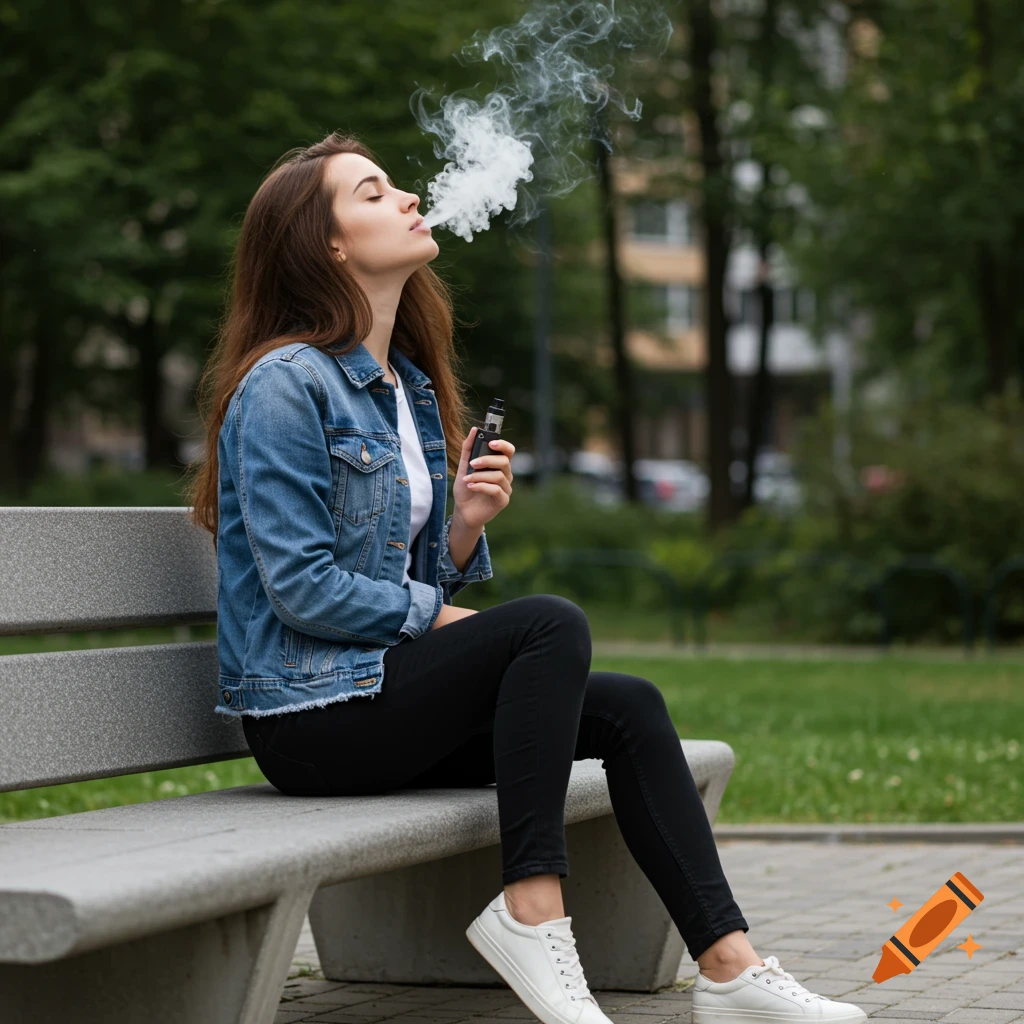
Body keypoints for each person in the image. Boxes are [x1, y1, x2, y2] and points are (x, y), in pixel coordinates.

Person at [184, 131, 867, 1024]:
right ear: (329, 246)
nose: (406, 199)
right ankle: (531, 912)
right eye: (373, 191)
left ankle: (730, 969)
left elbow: (397, 576)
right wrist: (443, 614)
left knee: (629, 707)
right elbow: (305, 592)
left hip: (374, 696)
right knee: (548, 624)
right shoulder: (285, 384)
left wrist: (463, 529)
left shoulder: (403, 389)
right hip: (312, 721)